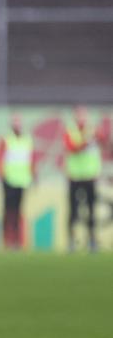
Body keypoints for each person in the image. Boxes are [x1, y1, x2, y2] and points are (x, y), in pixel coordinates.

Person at [0, 114, 36, 249]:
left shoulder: (27, 140)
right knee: (8, 211)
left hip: (22, 181)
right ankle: (7, 241)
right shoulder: (6, 139)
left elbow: (31, 160)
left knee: (18, 212)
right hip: (9, 180)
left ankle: (18, 241)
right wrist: (2, 175)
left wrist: (33, 175)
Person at [64, 107, 102, 252]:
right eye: (79, 115)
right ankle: (71, 241)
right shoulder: (70, 131)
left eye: (84, 115)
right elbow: (72, 148)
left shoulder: (93, 131)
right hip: (74, 176)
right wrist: (87, 141)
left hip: (90, 176)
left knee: (91, 210)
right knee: (73, 211)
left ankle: (92, 241)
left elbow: (103, 140)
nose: (81, 118)